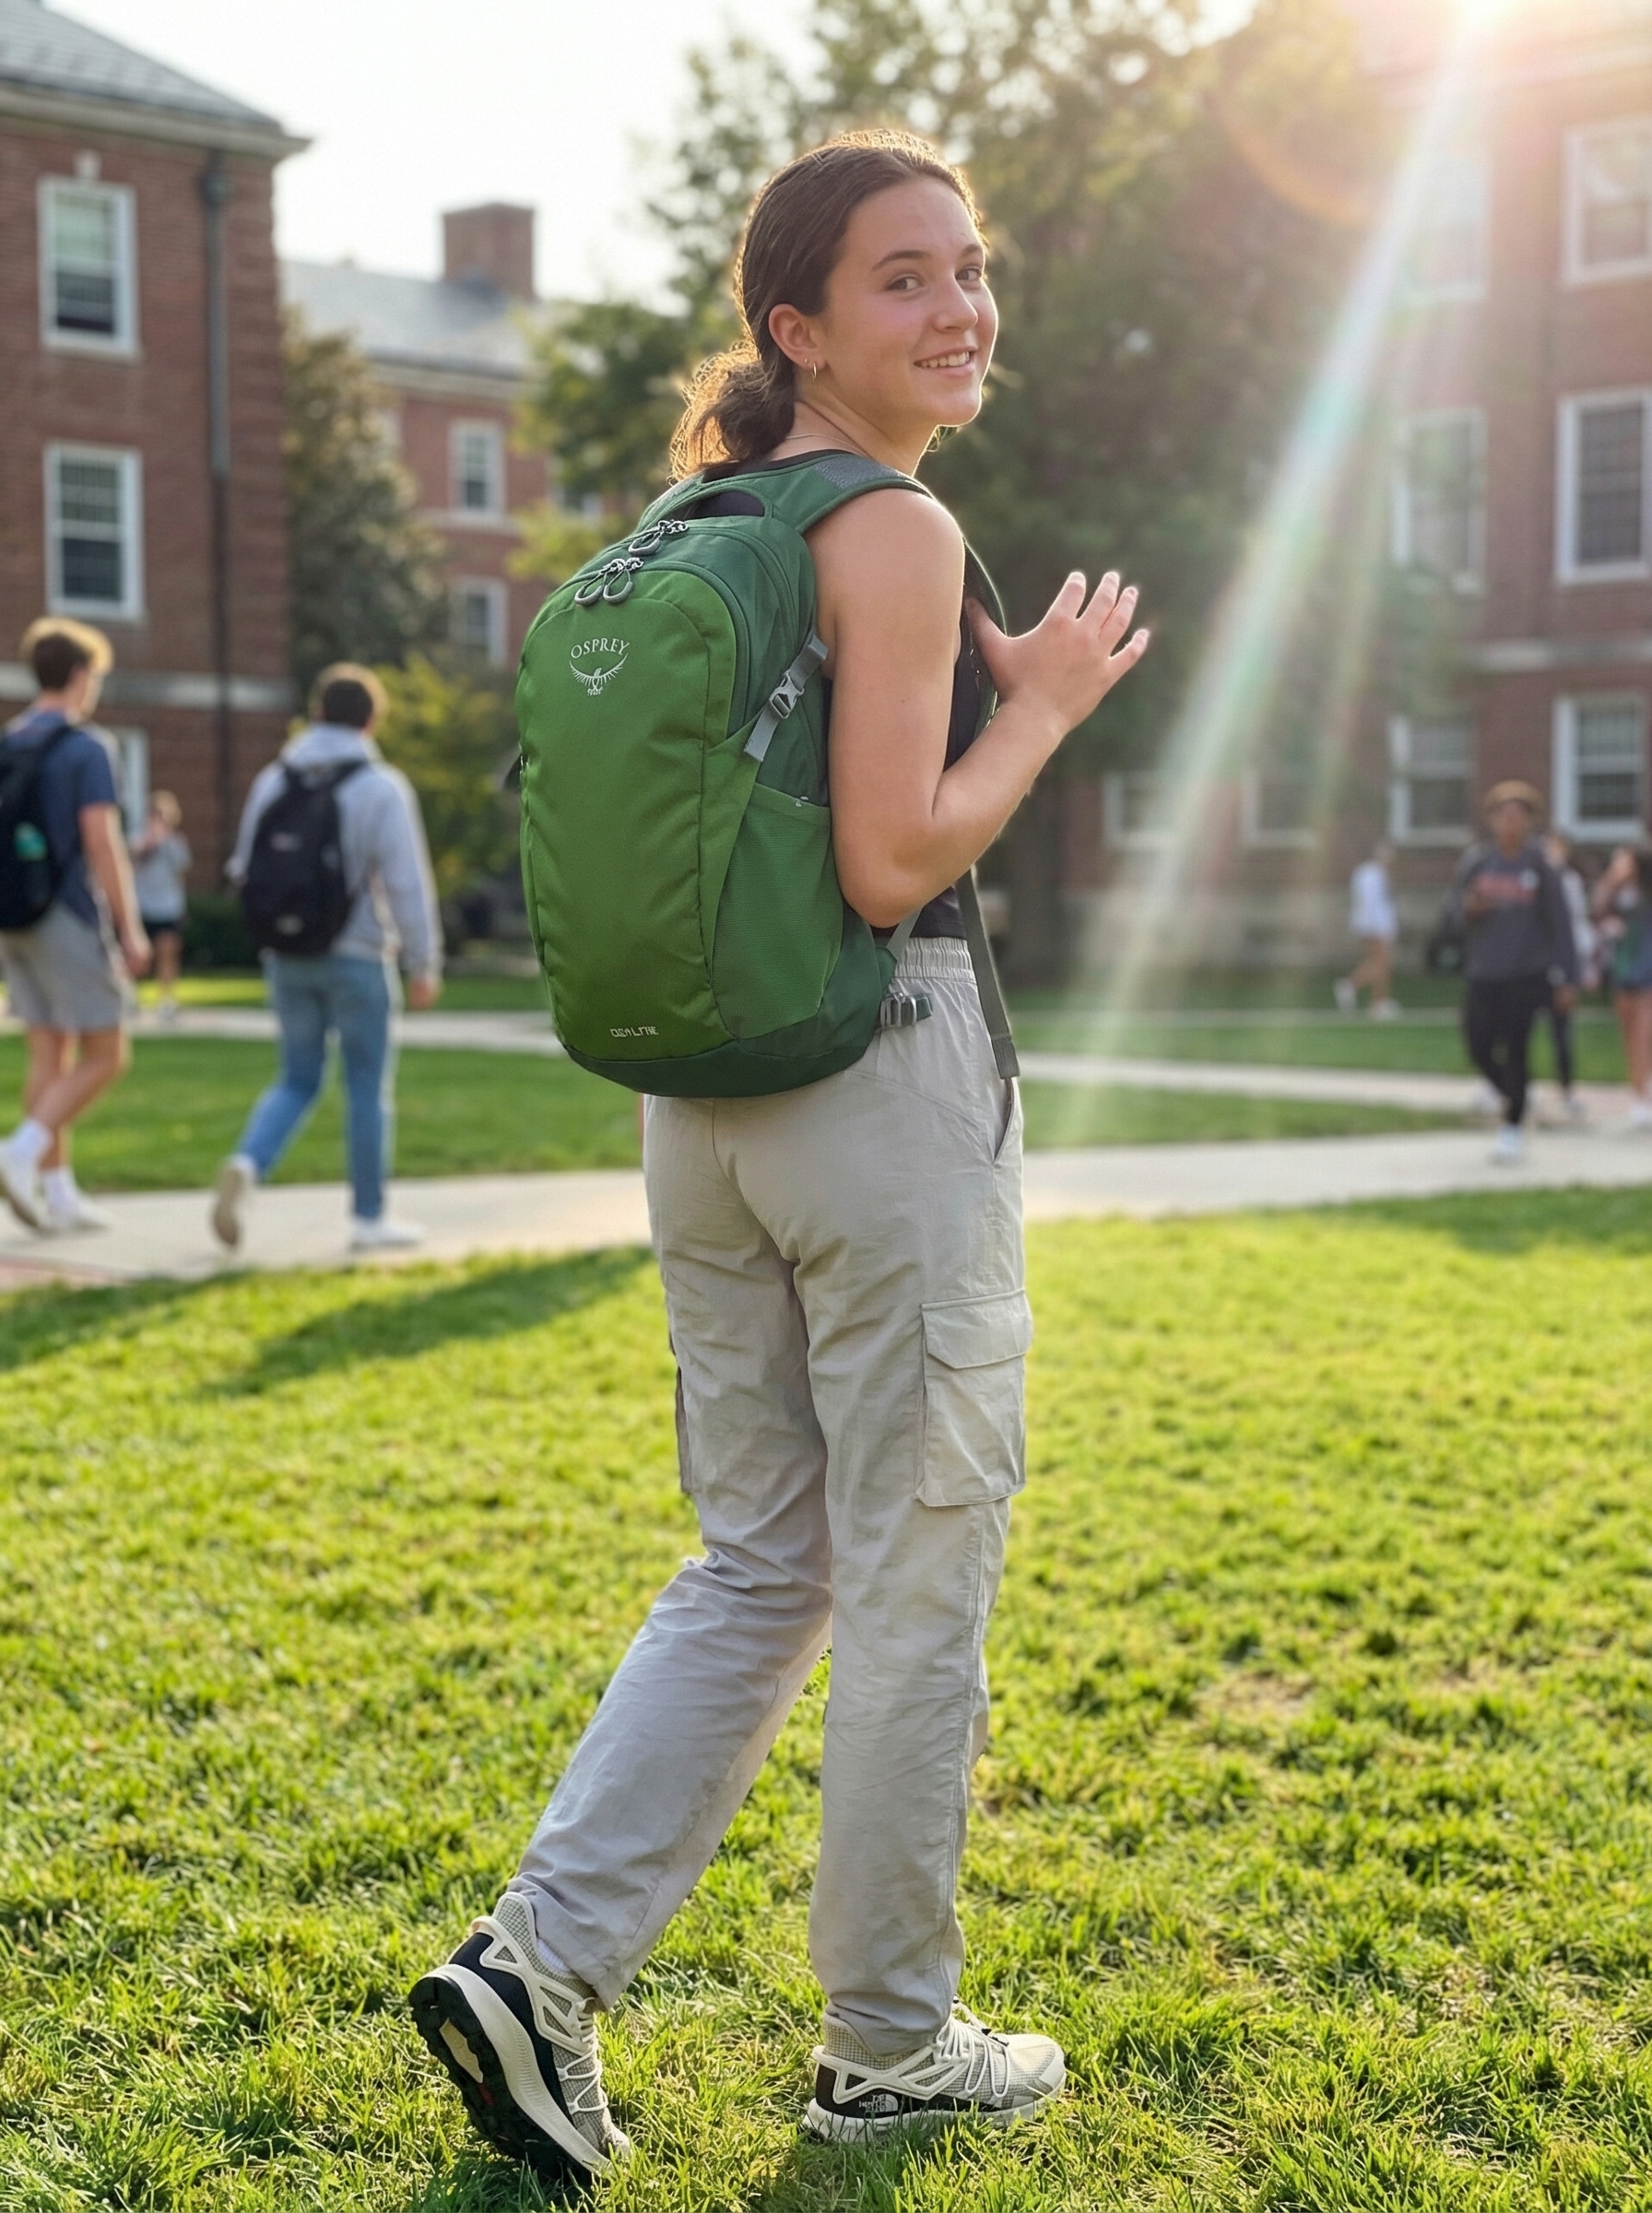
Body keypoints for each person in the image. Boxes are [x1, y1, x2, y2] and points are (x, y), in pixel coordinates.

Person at [408, 131, 1150, 2186]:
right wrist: (1049, 709)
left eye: (970, 267)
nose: (958, 307)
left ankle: (536, 1968)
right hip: (875, 1082)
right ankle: (889, 2049)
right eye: (903, 279)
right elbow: (893, 853)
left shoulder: (701, 513)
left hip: (699, 1111)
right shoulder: (892, 527)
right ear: (797, 327)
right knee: (915, 1577)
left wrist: (975, 699)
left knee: (760, 1561)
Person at [212, 663, 442, 1253]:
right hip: (359, 957)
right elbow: (407, 883)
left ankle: (248, 1161)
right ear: (371, 720)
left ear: (316, 713)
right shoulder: (381, 785)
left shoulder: (274, 779)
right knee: (365, 1086)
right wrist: (424, 961)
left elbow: (242, 869)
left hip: (287, 956)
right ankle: (369, 1218)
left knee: (296, 1078)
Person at [0, 618, 150, 1234]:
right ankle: (19, 1153)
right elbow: (102, 841)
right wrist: (130, 926)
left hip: (13, 915)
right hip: (66, 912)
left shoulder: (9, 740)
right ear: (81, 675)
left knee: (49, 1050)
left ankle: (59, 1195)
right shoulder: (89, 747)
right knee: (108, 1053)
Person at [1446, 783, 1578, 1165]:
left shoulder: (1540, 867)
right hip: (1484, 972)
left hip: (1526, 974)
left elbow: (1561, 925)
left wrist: (1567, 978)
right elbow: (1452, 916)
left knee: (1516, 1048)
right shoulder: (1478, 863)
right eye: (1502, 814)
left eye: (1518, 815)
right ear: (1491, 820)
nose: (1510, 822)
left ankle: (1512, 1128)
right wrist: (1470, 910)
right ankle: (1516, 1094)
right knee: (1479, 1045)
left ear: (1529, 822)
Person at [1590, 842, 1652, 1130]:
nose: (1619, 867)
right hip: (1622, 973)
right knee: (1630, 1037)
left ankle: (1642, 1098)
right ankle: (1639, 1091)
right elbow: (1596, 911)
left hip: (1647, 973)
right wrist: (1611, 882)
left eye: (1623, 862)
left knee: (1642, 1037)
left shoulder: (1645, 892)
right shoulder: (1615, 895)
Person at [1540, 831, 1594, 1123]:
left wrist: (1573, 972)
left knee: (1561, 1029)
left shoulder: (1568, 882)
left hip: (1562, 963)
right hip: (1532, 966)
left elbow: (1573, 928)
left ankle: (1567, 1090)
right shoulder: (1534, 878)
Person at [129, 789, 192, 1024]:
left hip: (168, 907)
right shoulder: (139, 839)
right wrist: (151, 840)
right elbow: (132, 859)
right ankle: (131, 997)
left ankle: (166, 1001)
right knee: (137, 955)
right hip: (141, 906)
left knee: (168, 952)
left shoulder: (176, 844)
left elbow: (180, 873)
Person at [1335, 839, 1400, 1018]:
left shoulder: (1376, 873)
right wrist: (1377, 927)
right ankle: (1375, 1001)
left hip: (1375, 925)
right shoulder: (1371, 873)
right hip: (1375, 926)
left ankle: (1355, 988)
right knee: (1383, 963)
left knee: (1377, 962)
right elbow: (1370, 903)